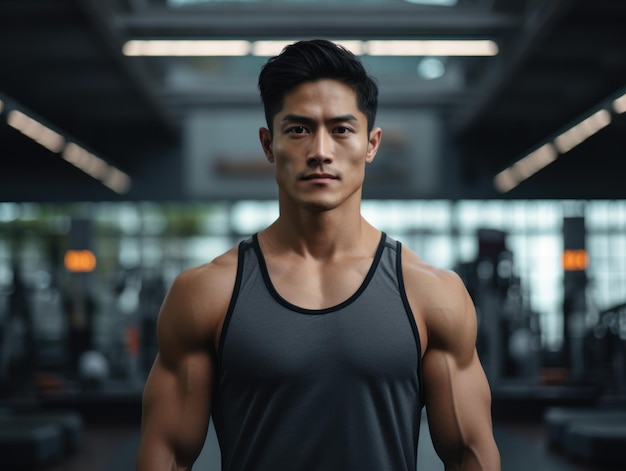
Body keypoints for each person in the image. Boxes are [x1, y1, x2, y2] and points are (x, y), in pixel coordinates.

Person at [136, 39, 500, 471]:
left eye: (342, 129)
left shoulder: (432, 294)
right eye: (298, 129)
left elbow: (469, 456)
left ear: (372, 143)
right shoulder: (205, 293)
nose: (320, 151)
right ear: (269, 145)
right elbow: (168, 458)